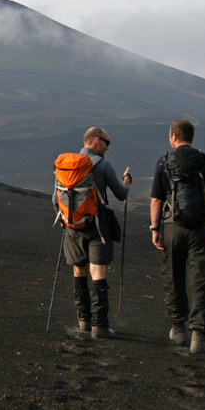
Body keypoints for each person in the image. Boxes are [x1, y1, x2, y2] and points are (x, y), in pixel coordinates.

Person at [149, 119, 205, 354]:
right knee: (202, 279)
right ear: (190, 138)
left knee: (173, 276)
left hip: (173, 228)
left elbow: (156, 200)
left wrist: (155, 229)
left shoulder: (164, 162)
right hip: (200, 229)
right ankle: (199, 337)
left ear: (173, 136)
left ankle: (178, 329)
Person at [54, 127, 132, 339]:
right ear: (97, 140)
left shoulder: (66, 165)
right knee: (99, 275)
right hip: (98, 228)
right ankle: (100, 326)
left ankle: (83, 322)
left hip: (72, 227)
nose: (108, 146)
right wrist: (127, 181)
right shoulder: (103, 165)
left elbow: (55, 200)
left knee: (79, 274)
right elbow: (121, 194)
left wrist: (67, 220)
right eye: (107, 142)